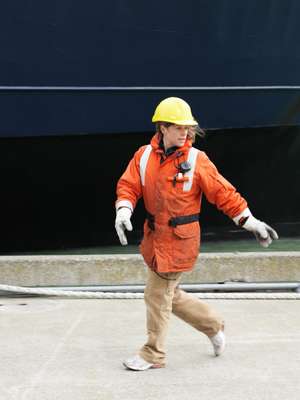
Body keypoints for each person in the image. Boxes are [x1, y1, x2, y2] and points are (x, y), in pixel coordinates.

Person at [115, 97, 278, 371]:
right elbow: (128, 185)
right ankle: (213, 325)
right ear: (163, 128)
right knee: (170, 294)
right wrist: (123, 209)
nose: (185, 132)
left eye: (188, 127)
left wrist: (250, 221)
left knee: (156, 294)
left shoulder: (196, 160)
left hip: (179, 243)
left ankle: (152, 354)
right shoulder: (143, 156)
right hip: (154, 239)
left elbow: (224, 194)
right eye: (179, 127)